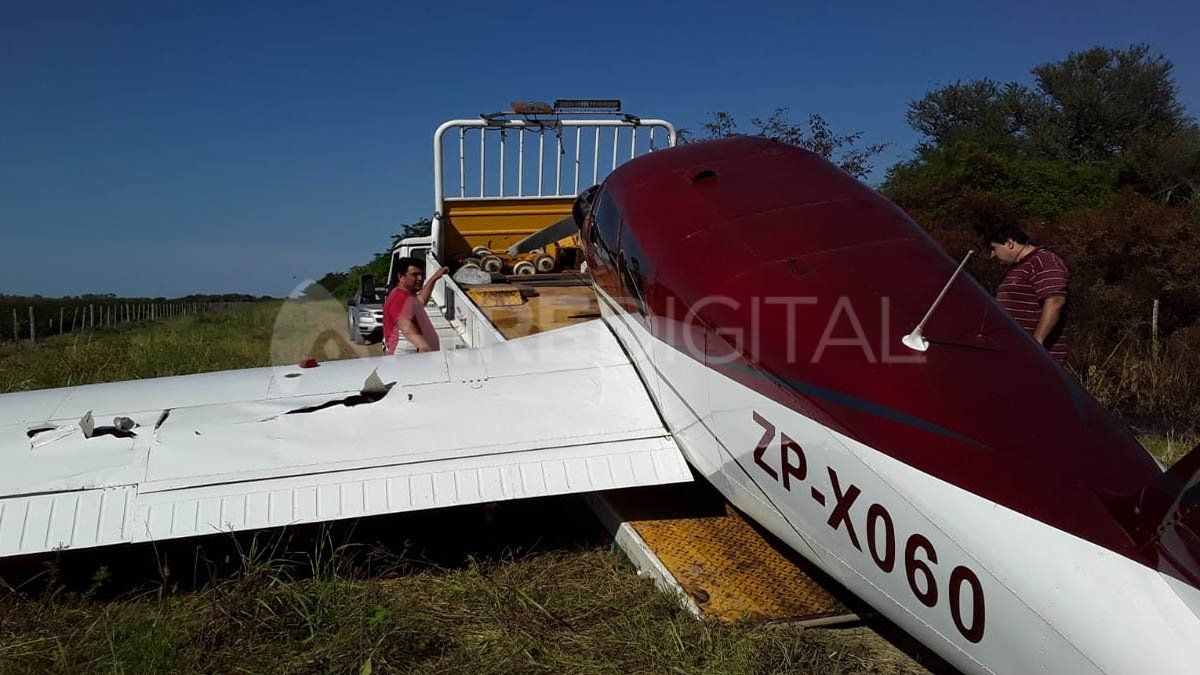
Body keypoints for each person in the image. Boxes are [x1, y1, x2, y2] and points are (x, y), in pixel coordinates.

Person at [984, 225, 1069, 363]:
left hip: (1037, 359)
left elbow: (1055, 301)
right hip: (1013, 353)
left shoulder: (1043, 260)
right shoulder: (1016, 267)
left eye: (994, 248)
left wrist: (1036, 342)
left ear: (1010, 243)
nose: (992, 255)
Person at [382, 257, 449, 354]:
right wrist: (424, 348)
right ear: (400, 276)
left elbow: (421, 300)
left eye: (422, 274)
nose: (420, 278)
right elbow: (405, 324)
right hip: (406, 357)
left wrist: (434, 278)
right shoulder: (399, 298)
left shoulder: (407, 296)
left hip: (411, 357)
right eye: (415, 275)